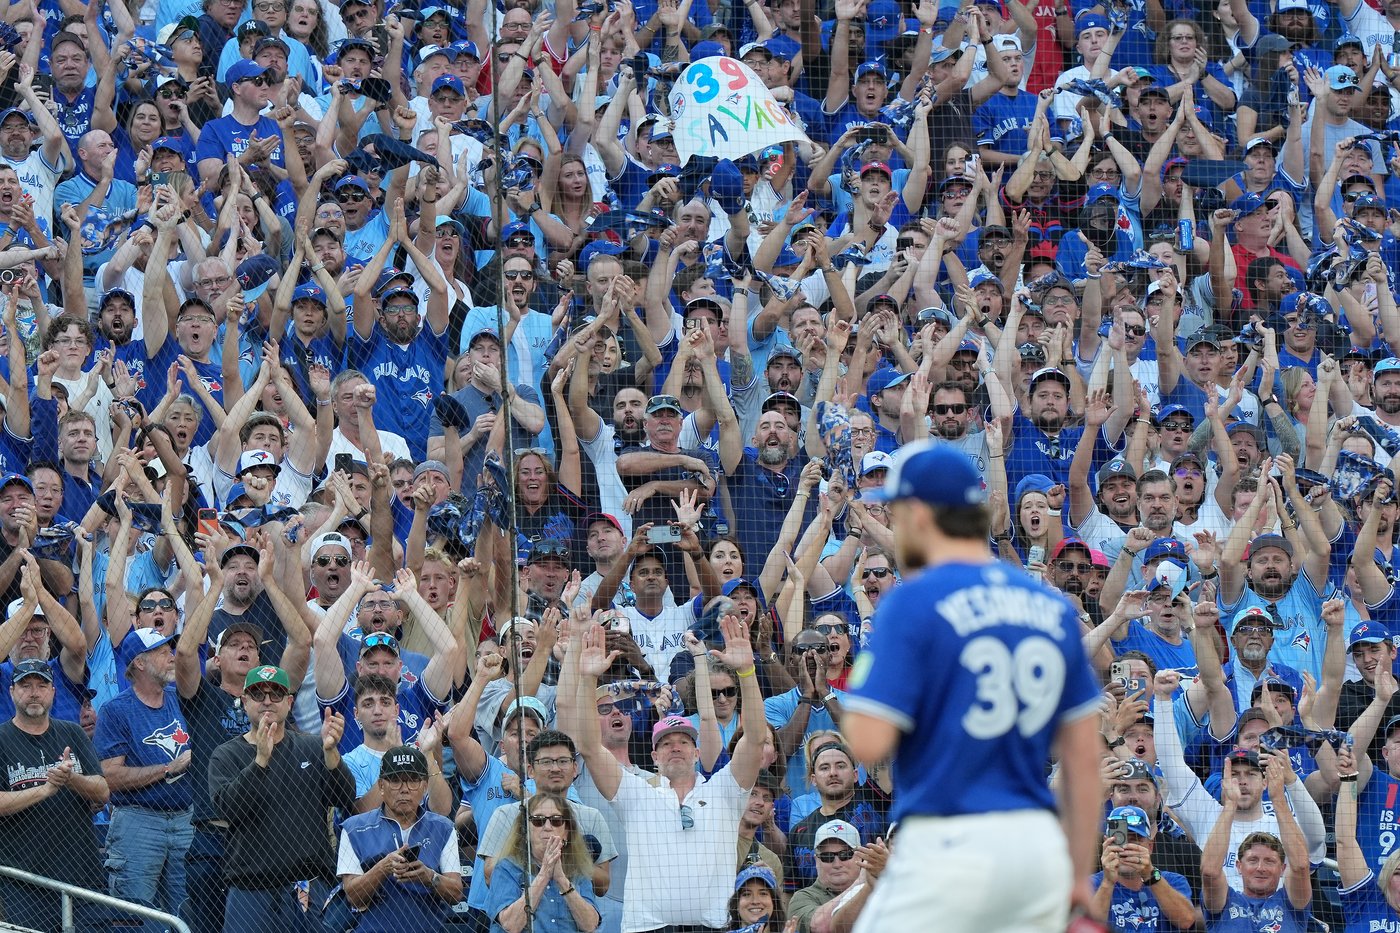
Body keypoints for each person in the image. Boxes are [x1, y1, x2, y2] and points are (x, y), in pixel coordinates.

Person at [839, 443, 1104, 931]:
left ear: (918, 514)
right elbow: (1084, 758)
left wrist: (869, 654)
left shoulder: (913, 602)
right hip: (1036, 849)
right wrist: (1076, 870)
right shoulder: (1049, 608)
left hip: (948, 844)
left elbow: (866, 740)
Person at [561, 605, 768, 933]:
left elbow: (756, 740)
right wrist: (587, 679)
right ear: (653, 757)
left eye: (684, 741)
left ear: (697, 752)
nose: (675, 746)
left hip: (712, 928)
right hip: (646, 929)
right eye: (665, 742)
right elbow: (588, 747)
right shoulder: (637, 793)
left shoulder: (724, 790)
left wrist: (746, 673)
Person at [206, 665, 355, 932]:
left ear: (289, 702)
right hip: (250, 892)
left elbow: (344, 796)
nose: (266, 701)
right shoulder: (225, 755)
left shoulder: (311, 747)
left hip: (307, 887)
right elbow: (228, 808)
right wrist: (260, 761)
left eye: (275, 694)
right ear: (244, 701)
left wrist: (331, 753)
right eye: (257, 694)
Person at [0, 654, 109, 931]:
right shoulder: (1, 739)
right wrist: (46, 789)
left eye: (41, 685)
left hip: (81, 877)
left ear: (53, 692)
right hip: (23, 884)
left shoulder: (72, 733)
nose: (34, 693)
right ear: (12, 692)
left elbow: (102, 791)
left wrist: (71, 778)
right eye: (25, 686)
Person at [93, 627, 194, 923]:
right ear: (139, 662)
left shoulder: (178, 699)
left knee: (188, 914)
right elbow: (109, 776)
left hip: (184, 819)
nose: (171, 657)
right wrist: (167, 769)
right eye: (163, 652)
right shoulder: (116, 711)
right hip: (138, 822)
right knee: (135, 917)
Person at [337, 744, 463, 931]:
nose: (404, 789)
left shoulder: (444, 828)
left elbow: (456, 893)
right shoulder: (353, 828)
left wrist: (429, 876)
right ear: (381, 785)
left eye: (412, 780)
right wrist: (383, 868)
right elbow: (353, 897)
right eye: (395, 780)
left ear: (425, 786)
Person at [485, 790, 602, 933]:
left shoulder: (578, 869)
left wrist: (562, 881)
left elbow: (590, 924)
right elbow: (511, 925)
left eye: (556, 820)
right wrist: (544, 875)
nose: (547, 827)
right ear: (525, 830)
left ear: (566, 832)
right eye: (538, 820)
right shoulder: (507, 868)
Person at [788, 820, 888, 933]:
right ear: (816, 861)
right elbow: (821, 927)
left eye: (845, 855)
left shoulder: (881, 889)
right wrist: (862, 883)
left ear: (860, 856)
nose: (837, 864)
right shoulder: (802, 897)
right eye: (827, 856)